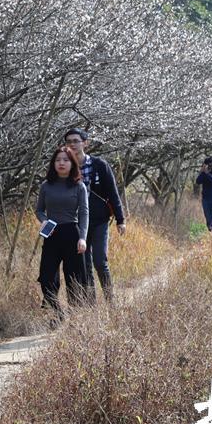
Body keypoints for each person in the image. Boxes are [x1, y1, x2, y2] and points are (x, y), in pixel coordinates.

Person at [62, 129, 126, 303]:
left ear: (85, 143)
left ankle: (110, 300)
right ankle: (91, 305)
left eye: (76, 141)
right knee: (84, 264)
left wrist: (120, 220)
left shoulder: (100, 165)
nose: (72, 144)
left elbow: (113, 193)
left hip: (99, 220)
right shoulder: (65, 166)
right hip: (77, 223)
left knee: (99, 260)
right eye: (69, 141)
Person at [34, 146, 89, 321]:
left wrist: (82, 238)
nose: (61, 163)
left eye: (65, 160)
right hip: (51, 233)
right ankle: (58, 313)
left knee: (74, 278)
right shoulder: (46, 186)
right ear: (53, 163)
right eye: (58, 160)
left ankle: (74, 318)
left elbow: (84, 213)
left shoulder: (79, 186)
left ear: (72, 163)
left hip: (72, 233)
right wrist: (44, 220)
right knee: (46, 277)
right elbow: (39, 210)